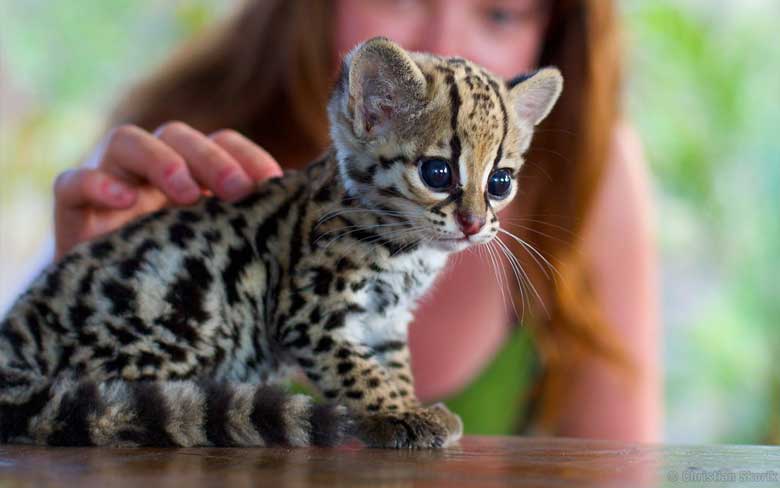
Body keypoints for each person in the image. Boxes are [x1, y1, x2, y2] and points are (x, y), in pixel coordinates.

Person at [51, 0, 660, 442]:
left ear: (552, 29)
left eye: (500, 12)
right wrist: (83, 303)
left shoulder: (587, 177)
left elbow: (624, 466)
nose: (446, 40)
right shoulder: (170, 157)